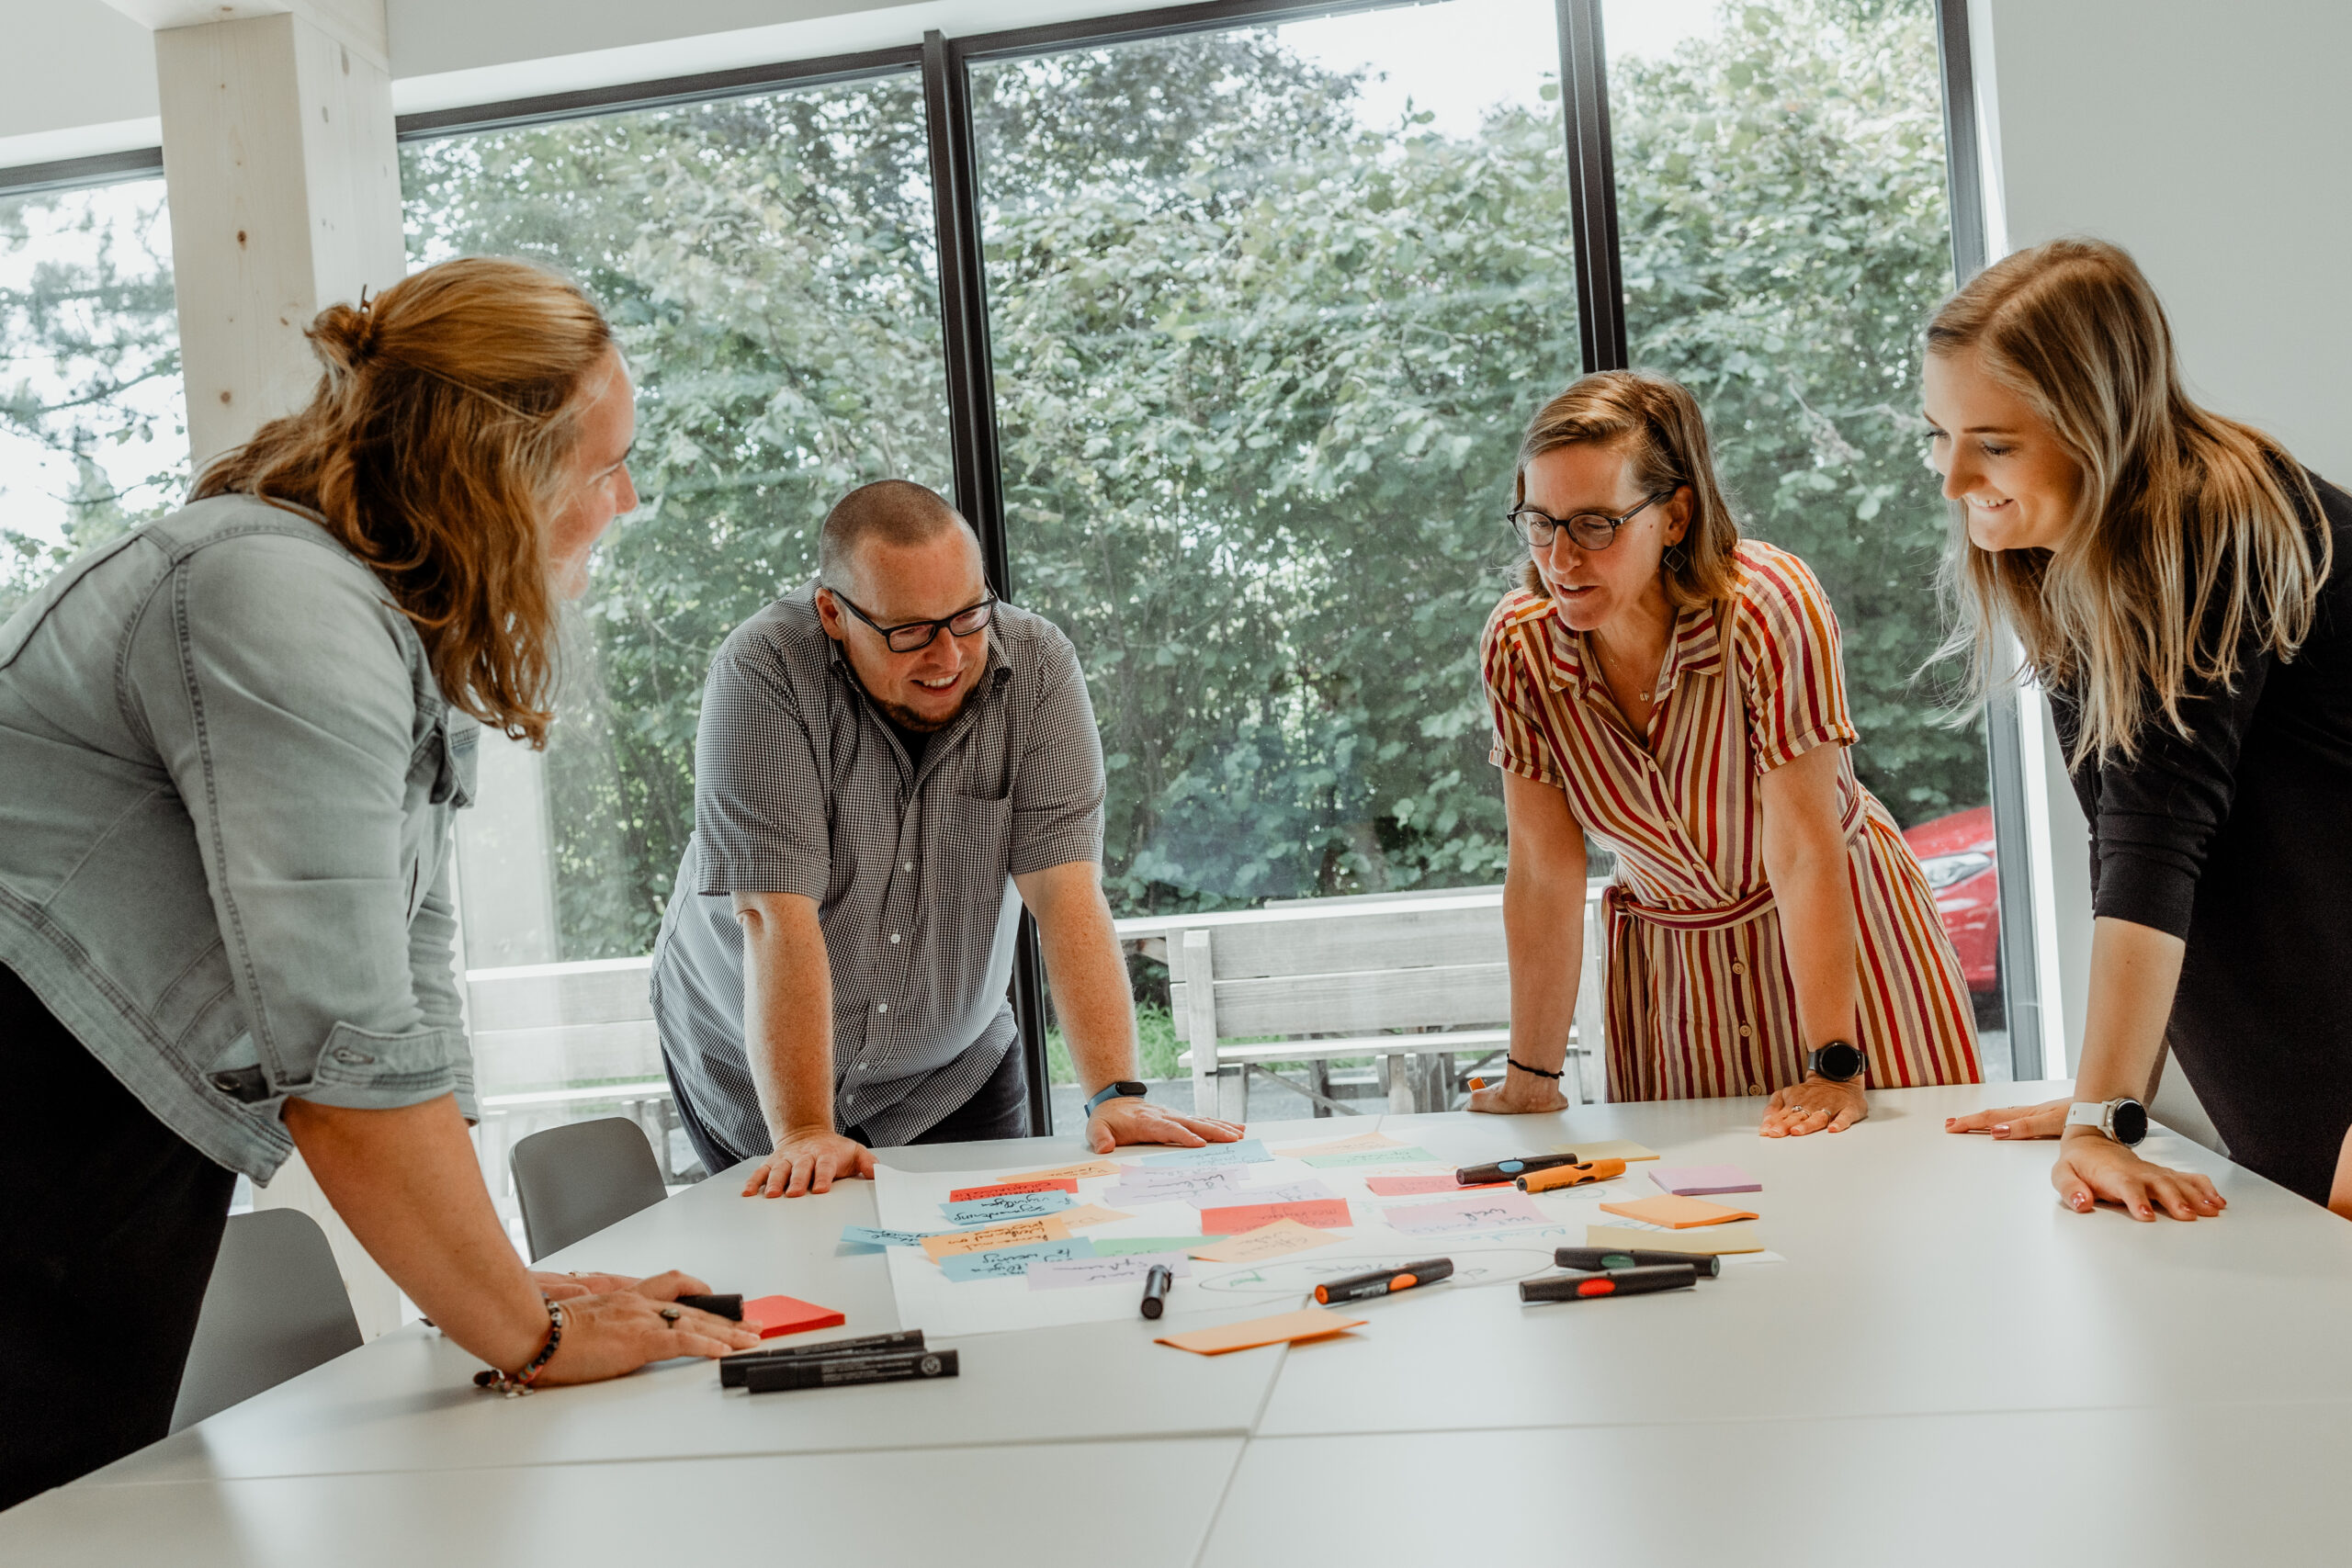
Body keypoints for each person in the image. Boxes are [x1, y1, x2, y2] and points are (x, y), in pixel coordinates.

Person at [0, 259, 764, 1510]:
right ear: (499, 468)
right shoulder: (273, 594)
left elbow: (409, 984)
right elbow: (342, 1056)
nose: (622, 502)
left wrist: (506, 1295)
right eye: (601, 466)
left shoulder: (384, 627)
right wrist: (535, 1337)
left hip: (100, 1140)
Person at [650, 479, 1240, 1199]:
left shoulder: (1039, 667)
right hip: (754, 1073)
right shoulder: (763, 671)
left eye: (967, 617)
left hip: (950, 1073)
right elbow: (775, 914)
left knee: (993, 1275)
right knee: (820, 1281)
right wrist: (804, 1130)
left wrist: (1114, 1092)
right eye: (909, 632)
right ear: (833, 612)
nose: (948, 657)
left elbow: (1064, 892)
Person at [1929, 239, 2352, 1220]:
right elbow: (2129, 836)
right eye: (1937, 435)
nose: (1953, 479)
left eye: (1993, 443)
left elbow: (2157, 838)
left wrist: (2102, 1110)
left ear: (2096, 427)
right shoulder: (2077, 555)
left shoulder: (2214, 527)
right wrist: (2104, 1103)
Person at [1466, 371, 1982, 1132]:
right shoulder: (1520, 646)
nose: (1562, 559)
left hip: (1847, 967)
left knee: (1892, 1209)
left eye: (1595, 525)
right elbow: (1543, 869)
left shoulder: (1769, 608)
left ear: (1674, 517)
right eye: (1540, 523)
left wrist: (1835, 1066)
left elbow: (1805, 850)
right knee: (1712, 1227)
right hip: (1680, 987)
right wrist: (1532, 1079)